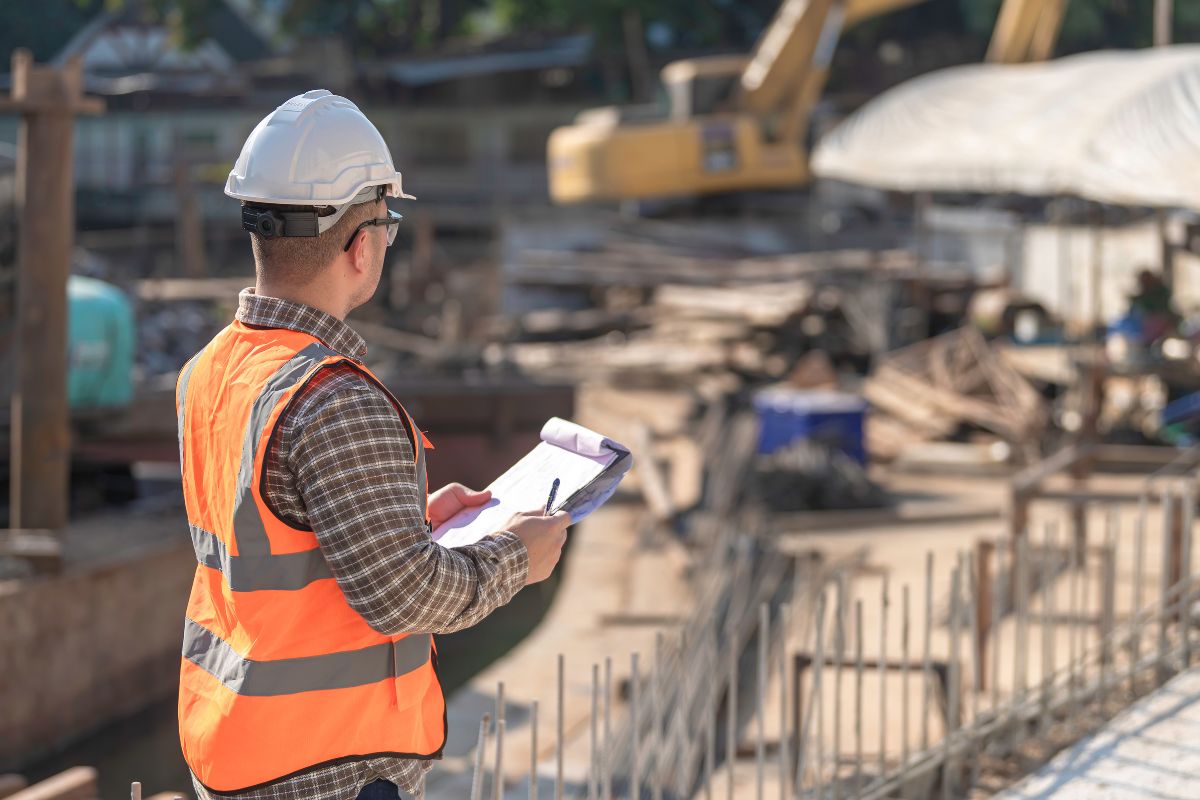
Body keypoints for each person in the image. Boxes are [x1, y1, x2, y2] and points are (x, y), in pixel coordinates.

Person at [174, 90, 570, 800]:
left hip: (237, 746)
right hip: (329, 766)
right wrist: (519, 557)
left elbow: (272, 538)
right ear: (361, 246)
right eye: (387, 222)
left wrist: (404, 522)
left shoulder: (211, 369)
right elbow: (404, 598)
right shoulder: (333, 398)